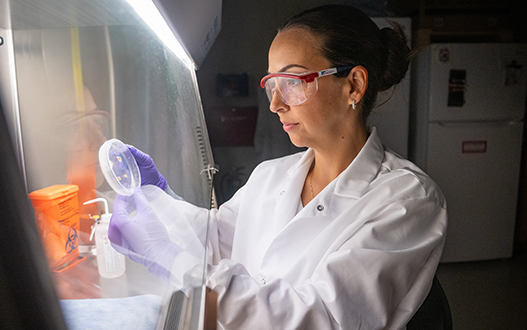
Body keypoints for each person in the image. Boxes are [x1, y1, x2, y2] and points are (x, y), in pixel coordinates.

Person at [109, 4, 447, 329]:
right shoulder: (270, 176)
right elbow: (216, 240)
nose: (275, 104)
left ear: (353, 85)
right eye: (272, 84)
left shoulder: (408, 200)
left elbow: (321, 319)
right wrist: (159, 199)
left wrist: (169, 259)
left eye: (293, 82)